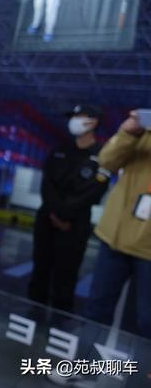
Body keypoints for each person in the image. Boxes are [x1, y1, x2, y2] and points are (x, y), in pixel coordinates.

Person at [28, 104, 110, 313]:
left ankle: (60, 319)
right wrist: (55, 213)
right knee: (40, 268)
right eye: (73, 116)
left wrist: (66, 216)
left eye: (79, 116)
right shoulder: (59, 150)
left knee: (67, 273)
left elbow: (94, 191)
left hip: (75, 225)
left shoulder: (102, 156)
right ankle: (33, 315)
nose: (74, 120)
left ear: (94, 122)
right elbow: (47, 185)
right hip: (48, 218)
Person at [85, 110, 151, 338]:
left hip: (148, 248)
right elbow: (107, 161)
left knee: (146, 321)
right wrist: (127, 132)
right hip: (115, 236)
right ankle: (87, 359)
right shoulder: (143, 131)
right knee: (96, 310)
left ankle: (140, 364)